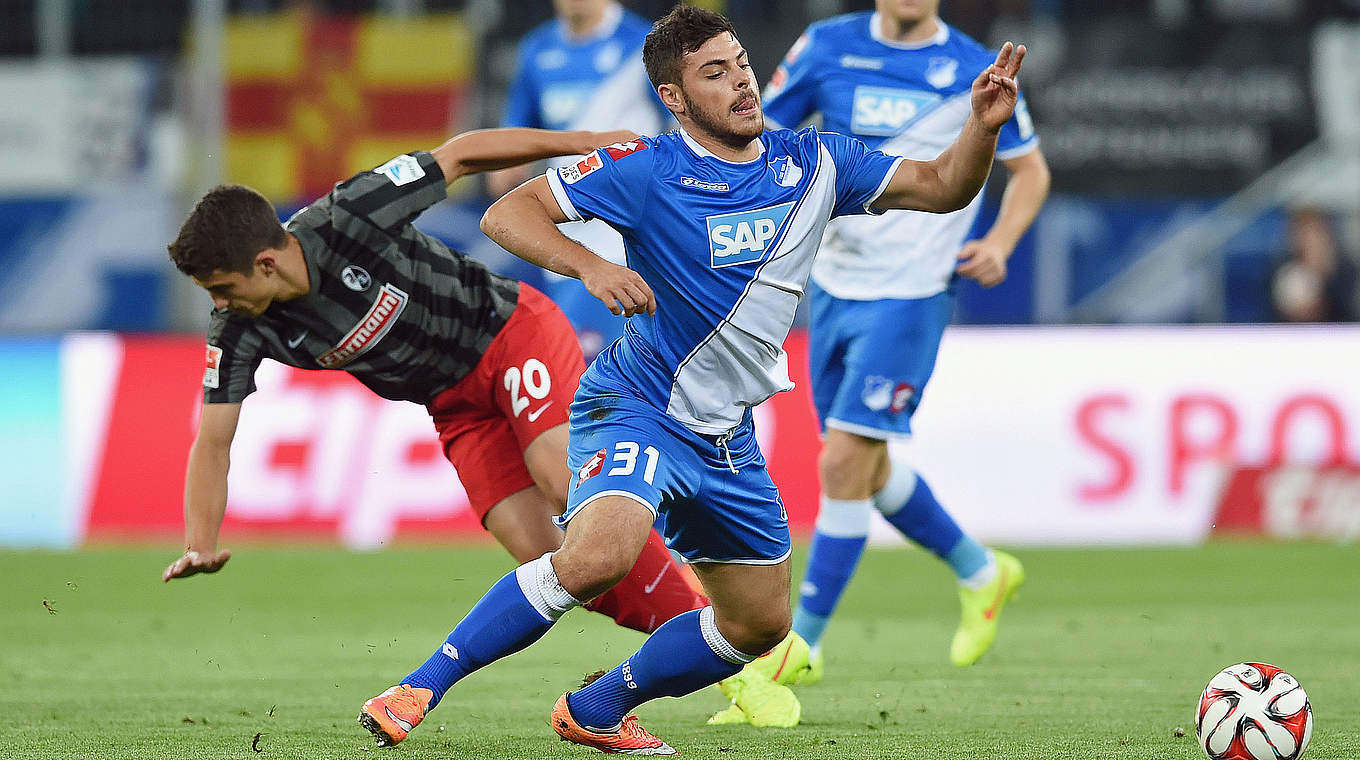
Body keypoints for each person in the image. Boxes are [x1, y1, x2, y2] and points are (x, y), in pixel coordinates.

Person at [356, 5, 1027, 754]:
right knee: (598, 557)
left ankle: (598, 706)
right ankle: (416, 687)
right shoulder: (645, 167)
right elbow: (510, 212)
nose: (741, 82)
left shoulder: (814, 161)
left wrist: (983, 129)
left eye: (740, 64)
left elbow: (941, 186)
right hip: (637, 406)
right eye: (714, 73)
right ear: (674, 97)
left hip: (726, 434)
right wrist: (593, 264)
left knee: (758, 625)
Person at [161, 127, 710, 645]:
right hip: (456, 408)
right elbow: (213, 440)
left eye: (222, 288)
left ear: (265, 262)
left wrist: (585, 144)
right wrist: (200, 543)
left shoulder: (348, 216)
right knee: (556, 562)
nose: (219, 304)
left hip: (511, 335)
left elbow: (461, 154)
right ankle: (719, 643)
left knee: (568, 484)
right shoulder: (239, 328)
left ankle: (724, 581)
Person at [709, 0, 1051, 708]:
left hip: (913, 293)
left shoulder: (968, 66)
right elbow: (757, 130)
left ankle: (798, 647)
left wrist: (1002, 242)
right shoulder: (826, 46)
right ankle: (981, 570)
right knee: (868, 465)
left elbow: (1032, 172)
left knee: (841, 463)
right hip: (832, 285)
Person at [488, 0, 671, 360]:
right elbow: (516, 127)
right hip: (570, 222)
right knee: (578, 356)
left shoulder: (644, 43)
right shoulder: (537, 50)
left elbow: (679, 122)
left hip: (632, 220)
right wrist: (503, 165)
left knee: (628, 352)